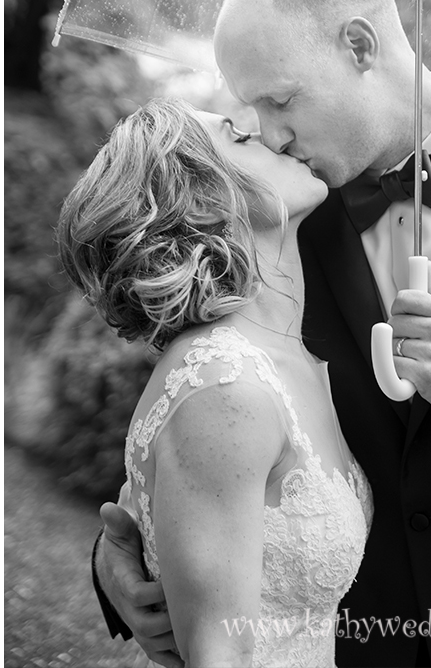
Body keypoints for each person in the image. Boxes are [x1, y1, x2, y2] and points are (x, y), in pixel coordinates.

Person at [94, 0, 431, 666]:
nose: (270, 134)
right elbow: (199, 433)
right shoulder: (277, 215)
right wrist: (120, 563)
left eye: (280, 100)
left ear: (360, 46)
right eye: (251, 110)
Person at [58, 97, 372, 666]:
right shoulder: (225, 387)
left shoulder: (291, 358)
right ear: (205, 198)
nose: (268, 132)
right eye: (239, 136)